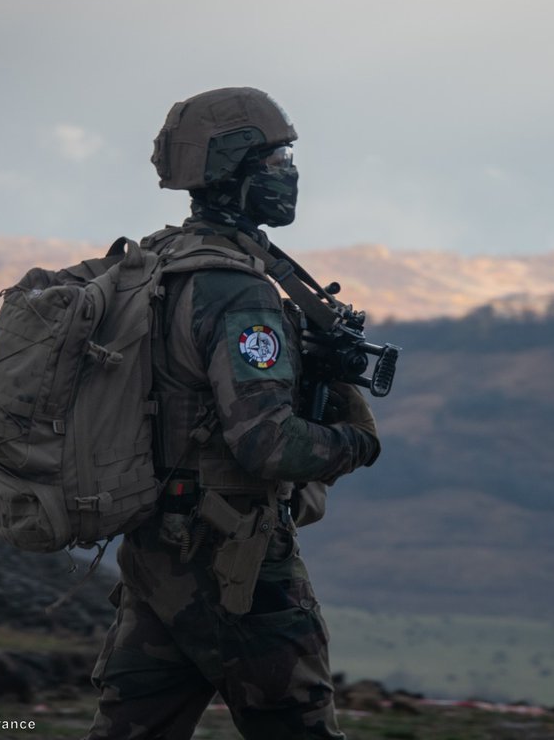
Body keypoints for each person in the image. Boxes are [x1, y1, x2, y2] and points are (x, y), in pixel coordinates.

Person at [84, 87, 381, 740]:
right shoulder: (239, 292)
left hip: (157, 552)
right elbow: (267, 446)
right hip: (237, 561)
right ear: (232, 170)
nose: (289, 173)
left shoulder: (157, 264)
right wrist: (353, 444)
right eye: (274, 160)